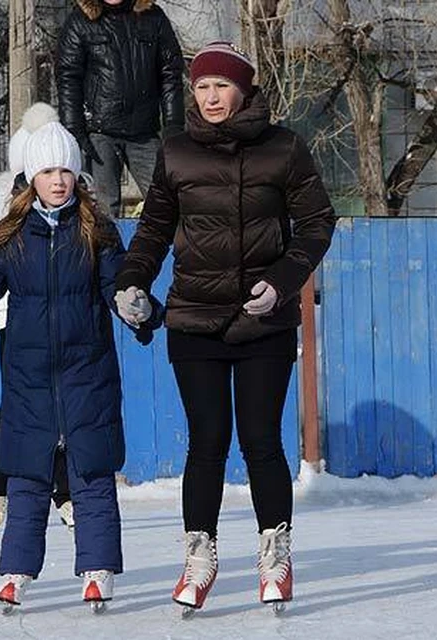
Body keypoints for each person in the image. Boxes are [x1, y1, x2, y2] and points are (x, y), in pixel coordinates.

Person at [114, 42, 335, 614]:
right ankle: (199, 552)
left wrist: (284, 281)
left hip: (264, 320)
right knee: (207, 442)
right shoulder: (175, 152)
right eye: (202, 87)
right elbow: (154, 230)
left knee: (261, 439)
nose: (211, 97)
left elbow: (317, 223)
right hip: (194, 319)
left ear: (244, 90)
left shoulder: (284, 148)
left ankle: (274, 551)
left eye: (221, 86)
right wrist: (131, 280)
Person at [0, 121, 163, 610]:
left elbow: (117, 285)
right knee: (27, 478)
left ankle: (98, 572)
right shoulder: (14, 234)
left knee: (92, 475)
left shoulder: (96, 230)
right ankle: (16, 573)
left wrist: (139, 308)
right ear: (32, 177)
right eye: (48, 170)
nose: (58, 180)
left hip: (88, 375)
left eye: (66, 170)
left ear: (78, 175)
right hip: (29, 379)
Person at [0, 102, 73, 531]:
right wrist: (6, 317)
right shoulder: (7, 208)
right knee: (20, 409)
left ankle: (66, 492)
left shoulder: (76, 205)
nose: (54, 178)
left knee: (68, 408)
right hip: (17, 324)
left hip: (63, 324)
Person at [56, 0, 184, 218]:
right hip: (99, 133)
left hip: (144, 133)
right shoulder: (79, 21)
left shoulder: (153, 17)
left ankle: (171, 252)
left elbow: (170, 74)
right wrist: (74, 130)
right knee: (103, 212)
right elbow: (68, 78)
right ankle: (104, 252)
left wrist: (173, 124)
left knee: (169, 202)